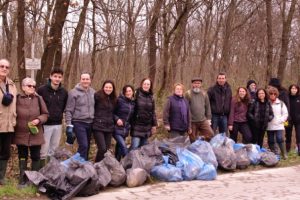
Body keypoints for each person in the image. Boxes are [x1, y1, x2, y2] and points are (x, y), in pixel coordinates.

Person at [13, 77, 48, 186]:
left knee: (36, 156)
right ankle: (22, 179)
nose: (32, 88)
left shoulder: (39, 98)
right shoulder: (17, 98)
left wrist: (38, 120)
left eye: (34, 86)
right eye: (29, 86)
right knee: (22, 155)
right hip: (21, 133)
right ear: (23, 87)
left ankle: (34, 180)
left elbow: (46, 114)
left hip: (36, 133)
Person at [37, 68, 68, 167]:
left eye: (59, 77)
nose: (57, 79)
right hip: (45, 125)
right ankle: (41, 170)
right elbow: (37, 105)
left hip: (58, 124)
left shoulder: (64, 92)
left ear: (62, 78)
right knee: (43, 149)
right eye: (55, 76)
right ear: (50, 76)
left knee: (54, 149)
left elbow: (64, 107)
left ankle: (51, 170)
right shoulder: (42, 90)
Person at [65, 72, 95, 161]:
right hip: (78, 122)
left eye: (87, 79)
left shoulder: (93, 92)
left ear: (90, 80)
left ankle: (83, 166)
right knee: (84, 145)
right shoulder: (73, 93)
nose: (85, 81)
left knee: (87, 146)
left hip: (90, 123)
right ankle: (71, 164)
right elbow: (69, 110)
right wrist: (69, 124)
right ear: (80, 80)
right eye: (83, 79)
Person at [0, 59, 17, 185]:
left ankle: (1, 178)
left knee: (5, 153)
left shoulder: (12, 85)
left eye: (7, 67)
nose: (4, 68)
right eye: (1, 66)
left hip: (9, 125)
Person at [93, 80, 117, 162]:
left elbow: (115, 113)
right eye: (106, 87)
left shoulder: (114, 99)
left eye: (110, 87)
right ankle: (96, 164)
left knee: (106, 150)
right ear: (103, 87)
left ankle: (100, 166)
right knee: (102, 148)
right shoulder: (97, 96)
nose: (108, 89)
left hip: (109, 127)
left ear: (113, 89)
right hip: (98, 126)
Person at [130, 78, 157, 150]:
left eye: (148, 84)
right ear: (142, 84)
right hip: (137, 125)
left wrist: (154, 125)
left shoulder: (151, 97)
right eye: (145, 84)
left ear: (150, 86)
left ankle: (139, 161)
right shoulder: (136, 94)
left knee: (143, 148)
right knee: (134, 147)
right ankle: (129, 160)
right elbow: (130, 108)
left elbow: (153, 112)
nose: (146, 85)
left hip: (147, 126)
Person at [113, 85, 135, 161]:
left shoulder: (133, 103)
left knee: (119, 147)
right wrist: (117, 119)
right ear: (124, 92)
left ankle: (117, 162)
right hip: (116, 128)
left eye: (130, 91)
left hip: (125, 129)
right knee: (123, 147)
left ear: (133, 92)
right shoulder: (119, 100)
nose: (128, 93)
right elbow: (111, 112)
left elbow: (132, 118)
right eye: (126, 91)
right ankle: (128, 163)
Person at [267, 87, 288, 159]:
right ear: (269, 95)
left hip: (279, 125)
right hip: (269, 125)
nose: (273, 95)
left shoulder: (281, 103)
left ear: (276, 95)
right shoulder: (267, 103)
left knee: (280, 138)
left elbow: (285, 114)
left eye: (274, 94)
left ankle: (284, 154)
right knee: (270, 140)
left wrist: (280, 120)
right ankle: (274, 154)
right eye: (271, 94)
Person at [285, 84, 300, 155]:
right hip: (287, 120)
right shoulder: (287, 97)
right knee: (288, 135)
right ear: (290, 89)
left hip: (298, 121)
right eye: (292, 88)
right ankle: (287, 151)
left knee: (299, 135)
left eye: (295, 88)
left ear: (297, 90)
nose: (294, 90)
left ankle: (299, 151)